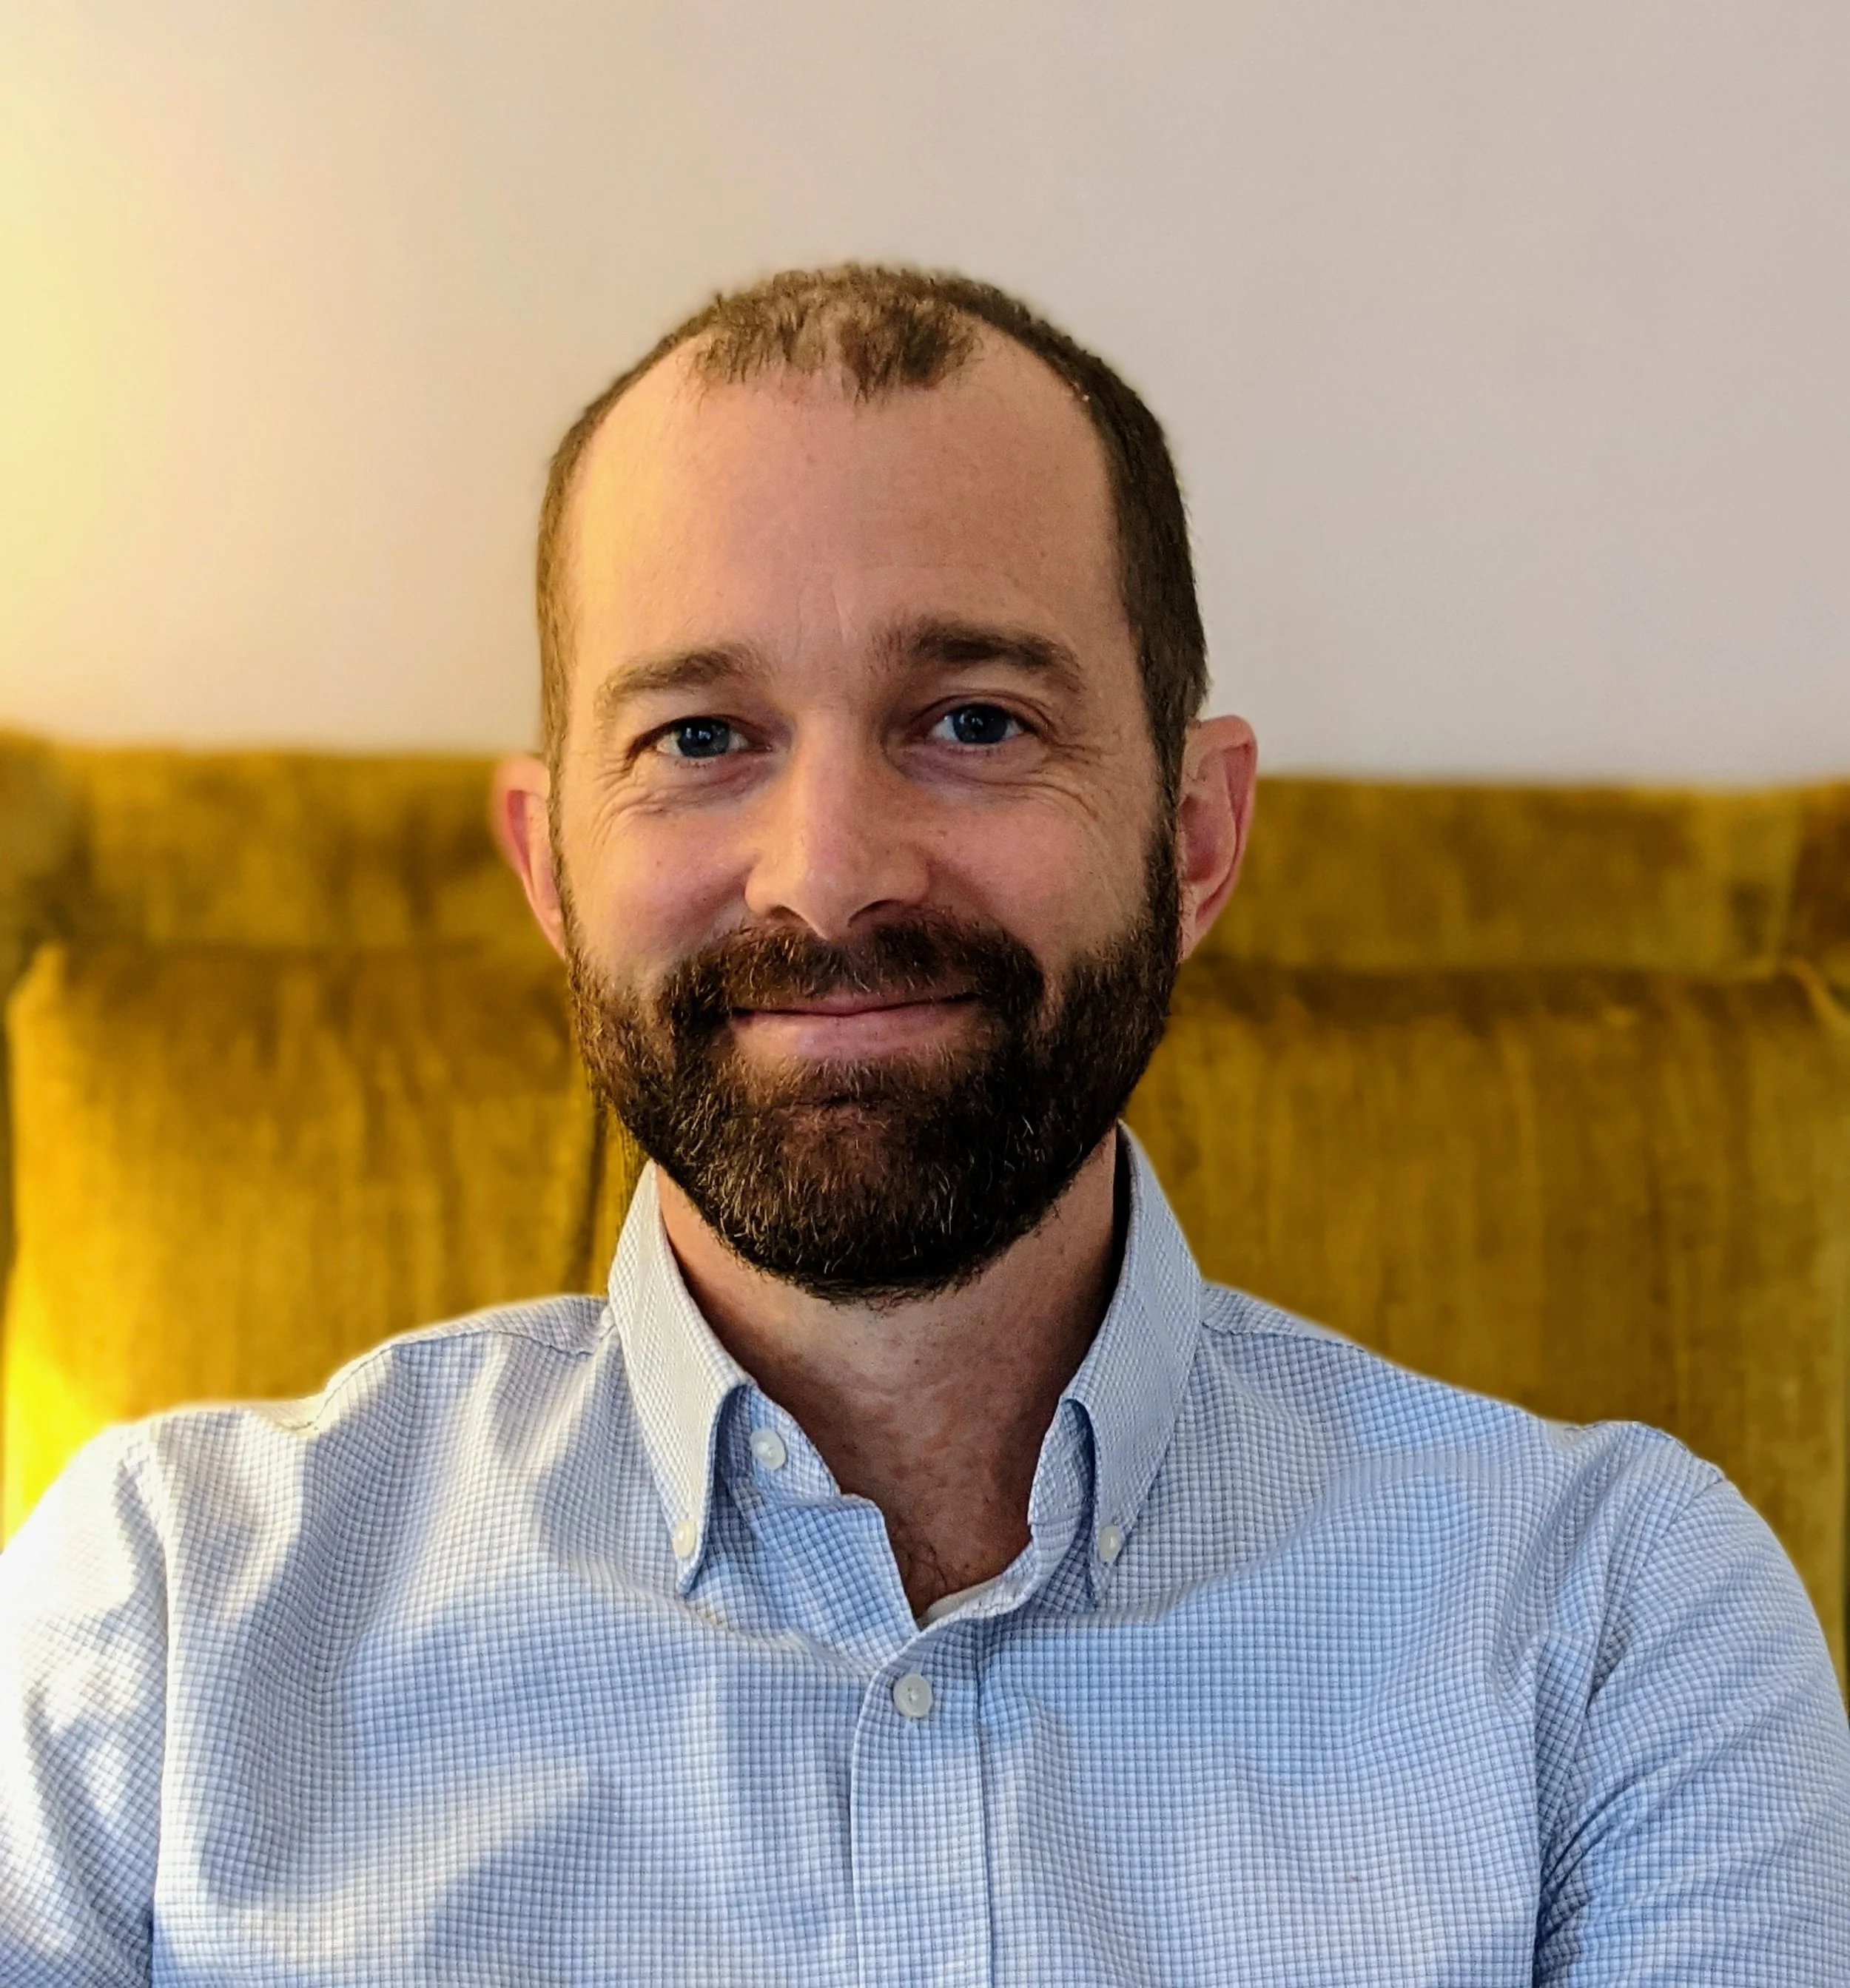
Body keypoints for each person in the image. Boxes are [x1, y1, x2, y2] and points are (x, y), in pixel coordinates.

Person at [1, 265, 1845, 1984]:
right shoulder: (153, 1630)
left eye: (969, 717)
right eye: (700, 738)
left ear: (1192, 838)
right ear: (549, 862)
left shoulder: (1616, 1630)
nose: (826, 878)